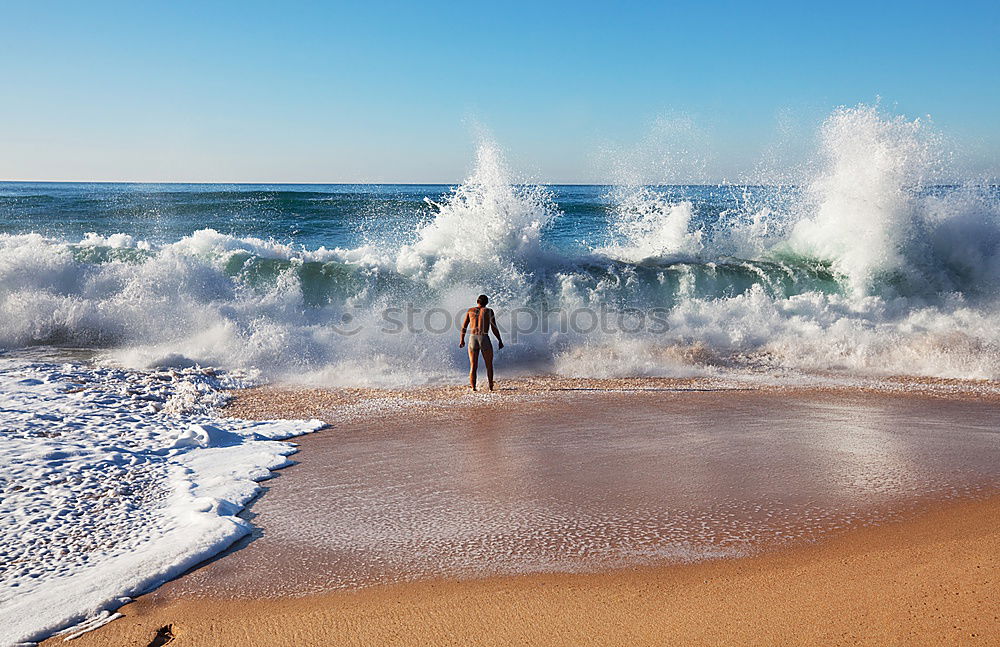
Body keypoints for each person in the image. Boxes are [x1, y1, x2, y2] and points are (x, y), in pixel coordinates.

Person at [459, 294, 504, 391]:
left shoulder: (470, 311)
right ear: (486, 303)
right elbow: (494, 327)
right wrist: (499, 340)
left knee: (473, 365)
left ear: (477, 301)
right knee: (489, 365)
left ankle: (473, 388)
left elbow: (464, 327)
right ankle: (491, 387)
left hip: (472, 339)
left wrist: (462, 340)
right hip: (484, 338)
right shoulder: (489, 311)